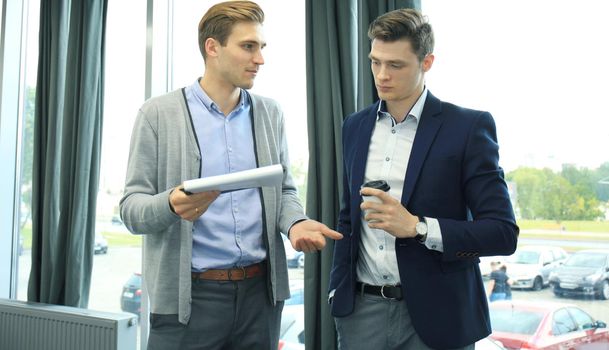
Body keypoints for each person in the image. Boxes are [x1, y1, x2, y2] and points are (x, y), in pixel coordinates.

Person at [119, 2, 342, 349]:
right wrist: (171, 204)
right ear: (213, 48)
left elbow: (283, 190)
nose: (260, 59)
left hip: (259, 299)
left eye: (261, 48)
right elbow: (131, 209)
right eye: (248, 47)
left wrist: (295, 223)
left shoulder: (271, 113)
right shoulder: (157, 114)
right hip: (188, 304)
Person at [328, 8, 519, 350]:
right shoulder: (354, 126)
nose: (381, 75)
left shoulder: (468, 128)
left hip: (440, 317)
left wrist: (417, 227)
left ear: (426, 62)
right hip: (361, 316)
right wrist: (337, 291)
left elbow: (502, 233)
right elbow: (349, 216)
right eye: (375, 62)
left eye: (396, 65)